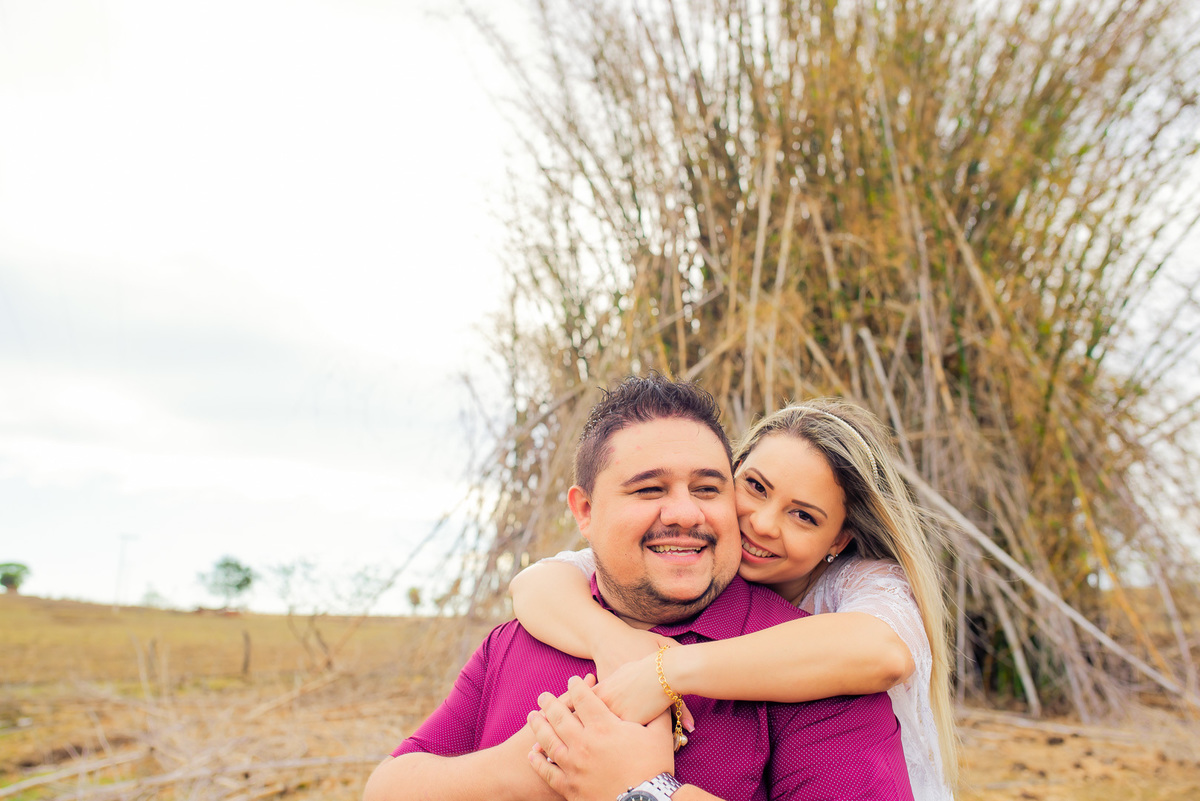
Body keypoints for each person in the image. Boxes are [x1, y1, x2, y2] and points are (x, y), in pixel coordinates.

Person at [364, 374, 913, 801]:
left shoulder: (814, 670)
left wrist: (643, 789)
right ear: (584, 511)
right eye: (649, 488)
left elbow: (882, 649)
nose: (683, 512)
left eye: (706, 487)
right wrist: (513, 774)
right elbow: (385, 788)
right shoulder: (519, 637)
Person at [510, 398, 958, 800]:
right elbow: (534, 584)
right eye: (756, 487)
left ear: (838, 539)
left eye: (803, 516)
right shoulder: (682, 554)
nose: (762, 524)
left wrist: (666, 670)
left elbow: (883, 652)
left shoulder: (860, 581)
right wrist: (613, 642)